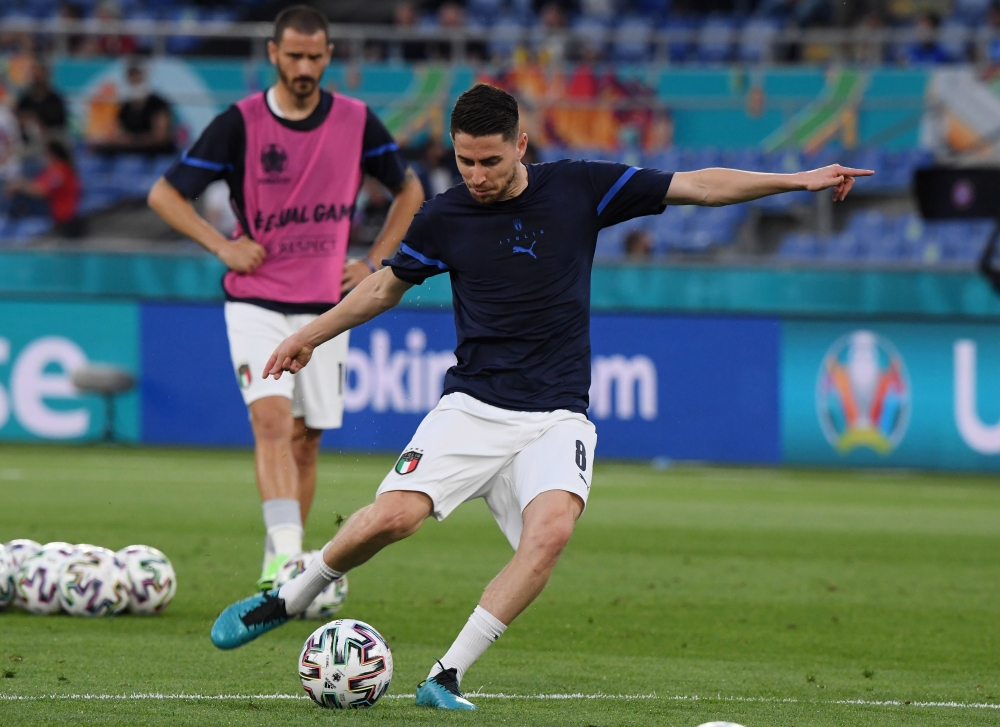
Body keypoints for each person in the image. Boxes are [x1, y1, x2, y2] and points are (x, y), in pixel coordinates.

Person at [209, 84, 872, 709]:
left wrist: (800, 180)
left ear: (522, 144)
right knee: (393, 519)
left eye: (489, 160)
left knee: (549, 533)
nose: (476, 174)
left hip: (557, 414)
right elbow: (384, 287)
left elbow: (696, 185)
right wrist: (313, 335)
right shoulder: (445, 214)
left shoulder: (580, 187)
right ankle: (291, 595)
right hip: (472, 407)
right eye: (464, 160)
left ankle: (446, 674)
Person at [147, 5, 424, 590]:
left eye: (314, 56)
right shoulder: (239, 123)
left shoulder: (356, 120)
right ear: (272, 54)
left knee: (306, 438)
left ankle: (293, 575)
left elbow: (409, 189)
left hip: (327, 307)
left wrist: (377, 261)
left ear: (328, 57)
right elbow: (166, 196)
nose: (304, 66)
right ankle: (285, 556)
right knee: (271, 420)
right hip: (255, 299)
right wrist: (223, 247)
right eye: (293, 55)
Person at [93, 62, 175, 156]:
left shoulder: (158, 104)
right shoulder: (125, 107)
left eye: (137, 75)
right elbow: (116, 133)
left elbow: (161, 137)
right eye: (131, 76)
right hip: (130, 151)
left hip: (153, 152)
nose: (134, 79)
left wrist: (134, 140)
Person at [6, 140, 83, 237]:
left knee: (19, 198)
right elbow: (35, 184)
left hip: (59, 212)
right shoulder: (51, 170)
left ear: (52, 154)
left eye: (45, 154)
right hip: (49, 207)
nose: (43, 158)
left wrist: (20, 186)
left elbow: (42, 191)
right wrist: (19, 184)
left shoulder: (61, 170)